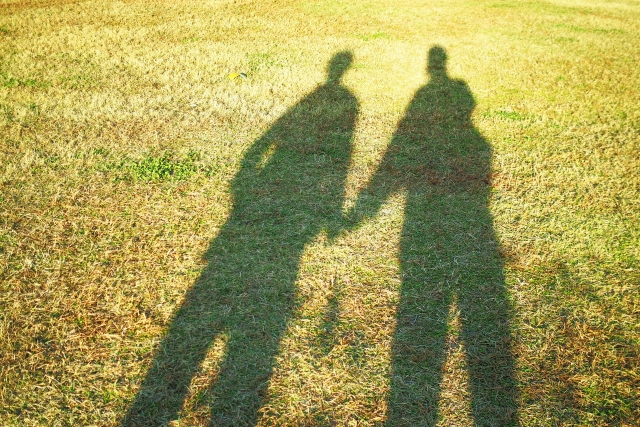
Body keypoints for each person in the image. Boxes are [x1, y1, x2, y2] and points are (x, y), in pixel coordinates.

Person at [123, 52, 358, 427]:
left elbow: (268, 143)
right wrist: (332, 204)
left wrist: (246, 179)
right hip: (279, 222)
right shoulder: (344, 102)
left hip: (258, 213)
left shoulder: (328, 99)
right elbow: (337, 154)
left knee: (204, 316)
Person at [343, 46, 517, 426]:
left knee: (423, 306)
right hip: (472, 235)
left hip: (430, 234)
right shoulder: (477, 144)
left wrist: (363, 208)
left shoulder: (470, 144)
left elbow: (394, 162)